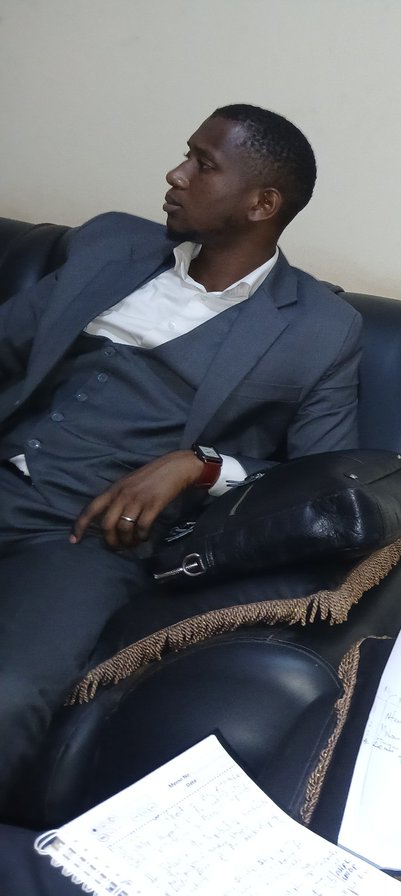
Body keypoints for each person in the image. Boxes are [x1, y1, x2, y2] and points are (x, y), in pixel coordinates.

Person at [0, 104, 362, 803]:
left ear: (264, 203)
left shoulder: (319, 328)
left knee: (7, 696)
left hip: (79, 540)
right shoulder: (109, 246)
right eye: (186, 154)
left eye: (204, 164)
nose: (176, 173)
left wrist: (204, 465)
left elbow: (324, 483)